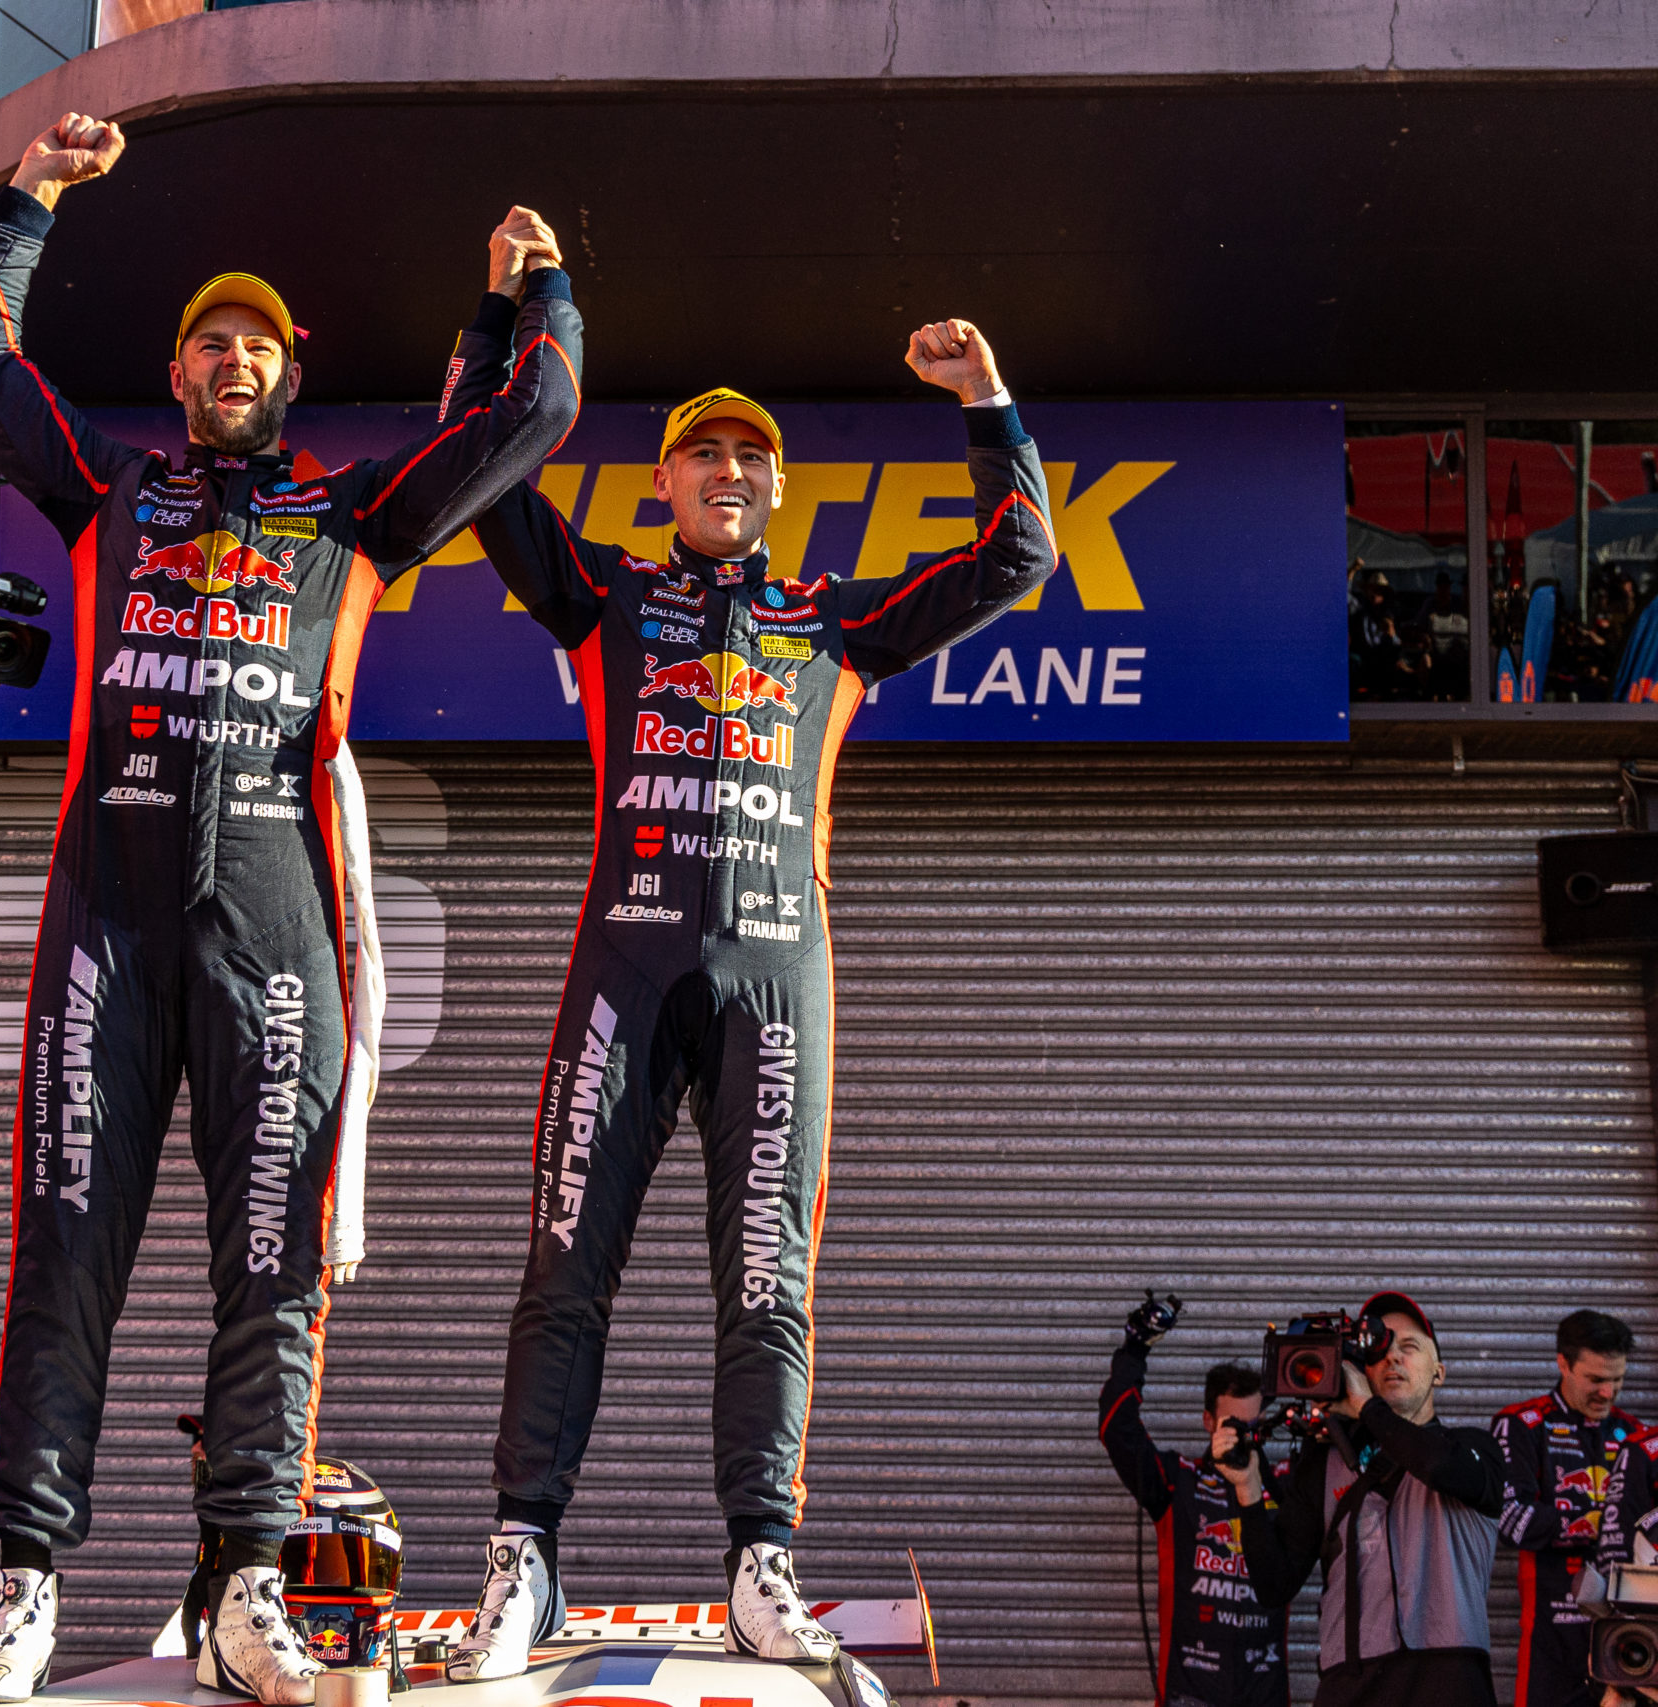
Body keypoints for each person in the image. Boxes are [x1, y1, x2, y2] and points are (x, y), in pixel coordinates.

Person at [0, 112, 581, 1706]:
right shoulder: (109, 491)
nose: (236, 359)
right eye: (212, 341)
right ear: (178, 371)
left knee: (275, 1274)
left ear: (294, 375)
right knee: (64, 1248)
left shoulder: (353, 518)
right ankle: (25, 1583)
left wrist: (525, 294)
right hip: (108, 914)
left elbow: (534, 412)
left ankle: (242, 1587)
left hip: (276, 930)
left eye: (261, 344)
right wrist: (34, 195)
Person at [430, 304, 1055, 1679]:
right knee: (562, 1268)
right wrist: (500, 322)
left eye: (750, 458)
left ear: (777, 488)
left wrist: (986, 397)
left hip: (777, 977)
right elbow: (480, 482)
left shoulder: (830, 620)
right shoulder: (607, 597)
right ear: (662, 481)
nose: (728, 471)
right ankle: (523, 1556)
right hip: (624, 965)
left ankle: (762, 1562)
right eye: (703, 454)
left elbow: (1019, 557)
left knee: (768, 1281)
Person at [1231, 1293, 1501, 1707]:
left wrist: (1366, 1408)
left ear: (1439, 1373)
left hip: (1449, 1683)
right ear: (1363, 1370)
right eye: (1379, 1349)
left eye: (1410, 1347)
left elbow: (1440, 1467)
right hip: (1350, 1685)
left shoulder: (1473, 1447)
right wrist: (1247, 1489)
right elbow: (1273, 1584)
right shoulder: (1325, 1463)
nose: (1393, 1358)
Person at [1097, 1295, 1291, 1706]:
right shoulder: (1178, 1480)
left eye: (1253, 1427)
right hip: (1189, 1694)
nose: (1244, 1437)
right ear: (1208, 1421)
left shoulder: (1287, 1486)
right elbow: (1117, 1429)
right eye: (1233, 1426)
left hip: (1265, 1696)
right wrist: (1134, 1350)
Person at [1500, 1310, 1641, 1707]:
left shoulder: (1636, 1436)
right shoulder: (1523, 1425)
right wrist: (1603, 1524)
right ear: (1563, 1363)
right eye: (1595, 1379)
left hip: (1627, 1636)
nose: (1608, 1393)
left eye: (1618, 1380)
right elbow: (1512, 1521)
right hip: (1551, 1635)